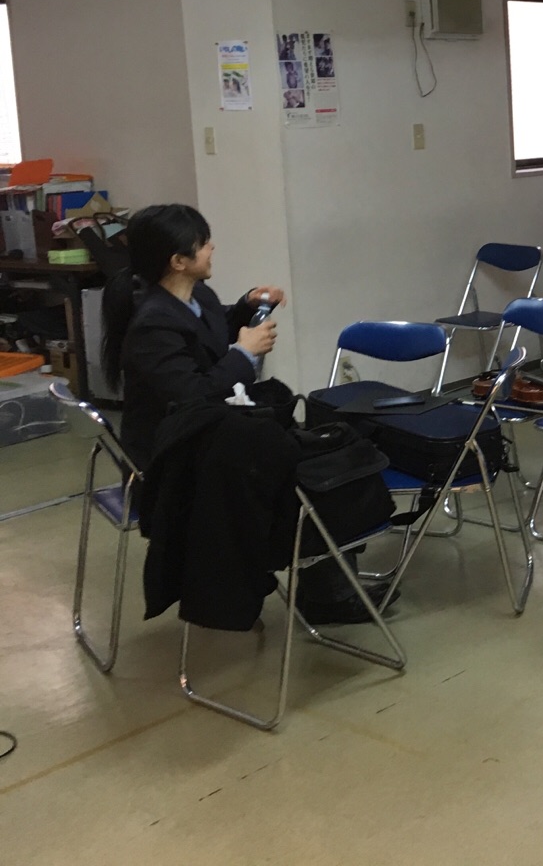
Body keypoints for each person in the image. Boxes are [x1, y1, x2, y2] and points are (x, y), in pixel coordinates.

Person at [102, 204, 388, 626]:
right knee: (311, 478)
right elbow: (193, 397)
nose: (211, 248)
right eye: (202, 244)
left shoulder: (194, 295)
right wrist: (244, 354)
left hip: (213, 434)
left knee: (324, 457)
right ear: (178, 261)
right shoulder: (152, 326)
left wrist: (246, 307)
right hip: (174, 456)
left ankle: (328, 584)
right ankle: (325, 593)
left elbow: (208, 331)